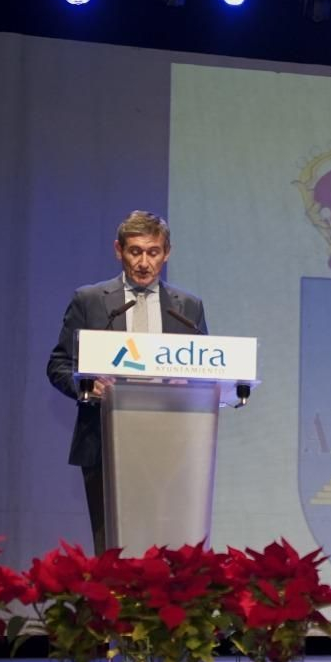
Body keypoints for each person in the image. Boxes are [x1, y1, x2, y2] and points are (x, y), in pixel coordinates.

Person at [46, 210, 209, 553]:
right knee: (112, 548)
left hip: (172, 442)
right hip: (105, 439)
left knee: (169, 547)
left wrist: (190, 386)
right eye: (135, 251)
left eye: (153, 252)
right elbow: (58, 364)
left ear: (167, 252)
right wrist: (89, 387)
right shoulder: (89, 300)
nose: (144, 262)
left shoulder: (188, 307)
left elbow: (205, 370)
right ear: (118, 250)